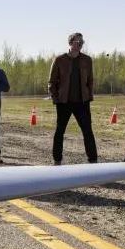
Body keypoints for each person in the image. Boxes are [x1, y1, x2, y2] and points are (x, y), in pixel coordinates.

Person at [48, 32, 97, 165]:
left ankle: (93, 160)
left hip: (82, 102)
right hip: (64, 102)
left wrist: (89, 95)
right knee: (59, 131)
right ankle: (57, 160)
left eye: (82, 42)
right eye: (78, 42)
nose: (80, 44)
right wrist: (56, 99)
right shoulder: (59, 60)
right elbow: (51, 82)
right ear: (70, 43)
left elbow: (90, 80)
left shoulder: (87, 60)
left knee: (88, 131)